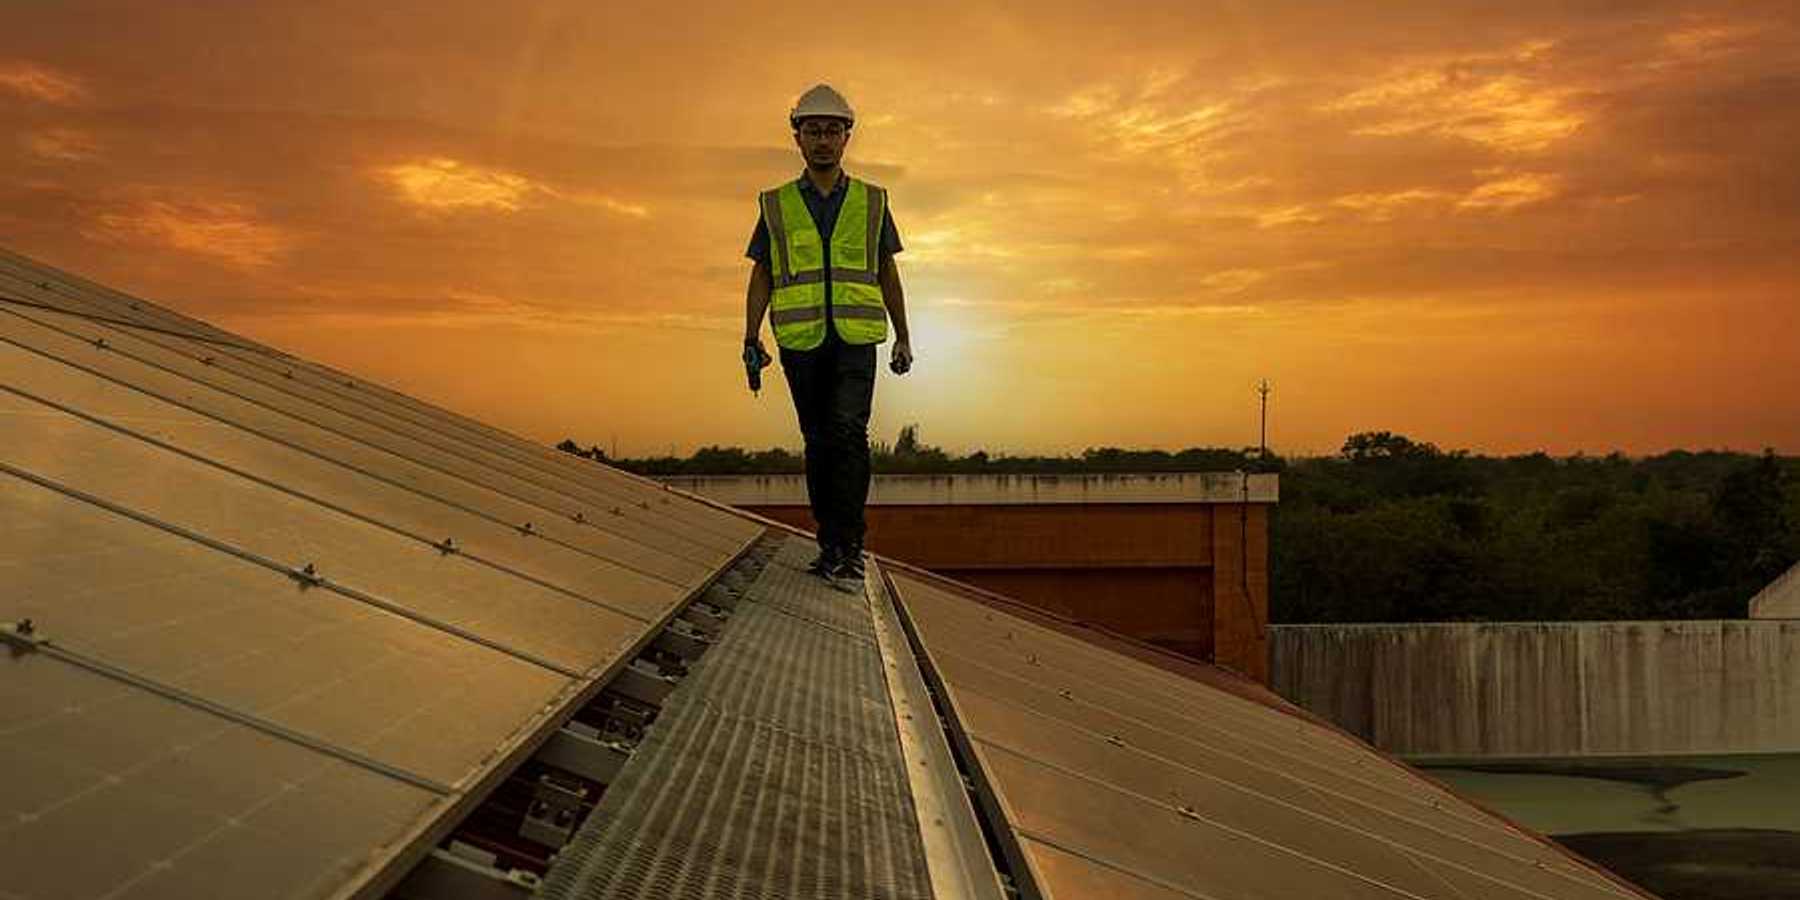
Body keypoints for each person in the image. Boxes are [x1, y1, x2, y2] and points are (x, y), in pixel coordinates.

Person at [742, 83, 912, 585]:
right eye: (813, 130)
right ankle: (829, 541)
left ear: (846, 138)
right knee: (817, 440)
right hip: (800, 340)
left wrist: (903, 335)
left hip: (857, 337)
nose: (823, 140)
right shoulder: (775, 205)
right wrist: (751, 337)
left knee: (847, 433)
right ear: (797, 138)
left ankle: (849, 543)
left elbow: (886, 270)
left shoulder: (872, 201)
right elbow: (762, 273)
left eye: (832, 131)